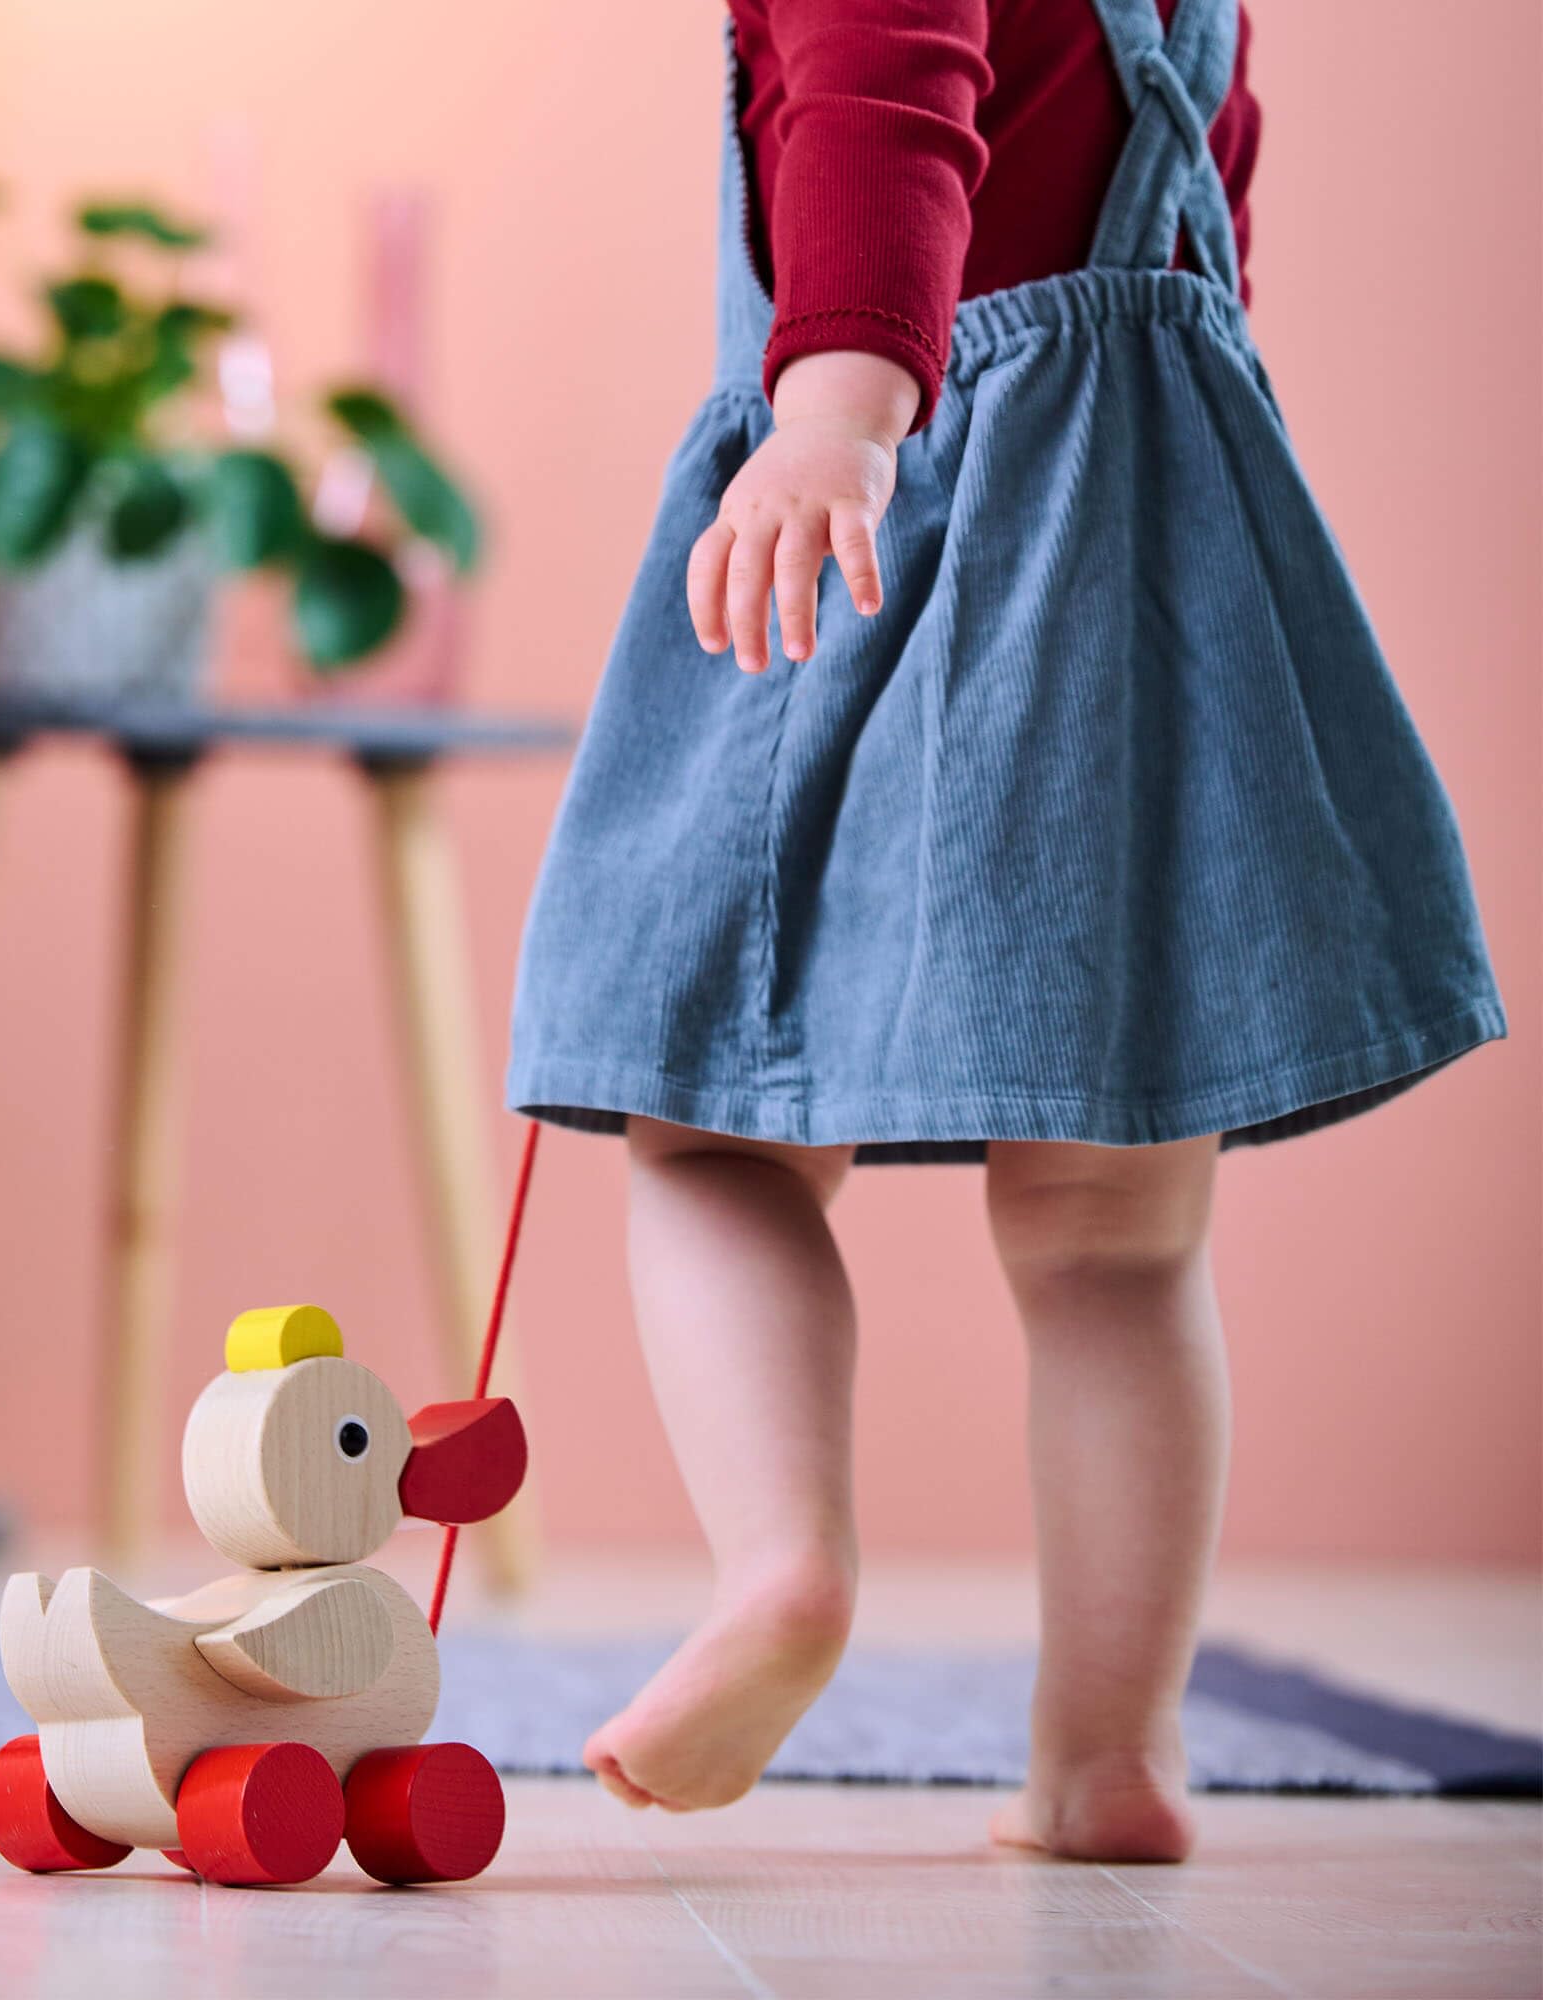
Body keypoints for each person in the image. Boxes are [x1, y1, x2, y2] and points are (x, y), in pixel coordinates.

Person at [506, 0, 1504, 1861]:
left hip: (900, 501)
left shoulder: (855, 430)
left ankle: (784, 1561)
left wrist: (833, 418)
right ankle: (1112, 1751)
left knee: (713, 1119)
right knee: (1121, 1233)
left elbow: (887, 109)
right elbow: (1206, 208)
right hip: (1157, 573)